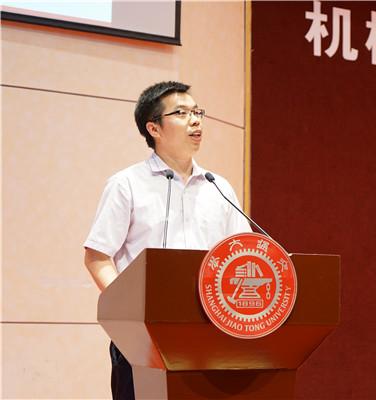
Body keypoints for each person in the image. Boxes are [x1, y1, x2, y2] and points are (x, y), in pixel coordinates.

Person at [83, 81, 251, 399]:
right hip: (143, 337)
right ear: (154, 128)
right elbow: (97, 256)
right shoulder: (127, 184)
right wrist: (131, 312)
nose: (195, 120)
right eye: (182, 113)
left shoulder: (218, 187)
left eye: (198, 112)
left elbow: (242, 253)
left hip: (210, 332)